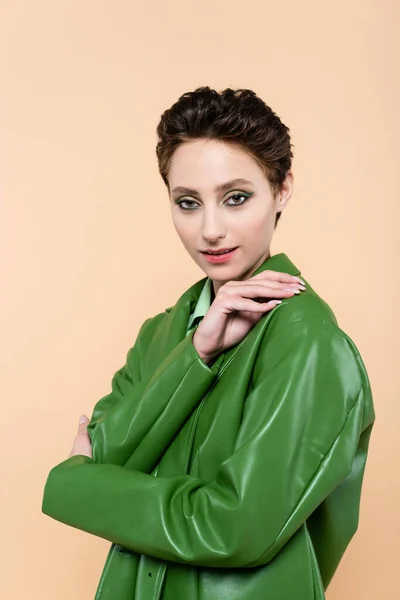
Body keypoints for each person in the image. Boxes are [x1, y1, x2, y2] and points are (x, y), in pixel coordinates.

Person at [42, 87, 375, 600]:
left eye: (236, 198)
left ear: (282, 188)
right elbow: (107, 455)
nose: (211, 230)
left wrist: (74, 487)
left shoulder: (307, 341)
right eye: (188, 203)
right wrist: (196, 353)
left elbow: (235, 525)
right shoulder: (163, 333)